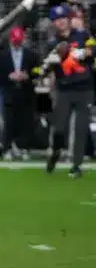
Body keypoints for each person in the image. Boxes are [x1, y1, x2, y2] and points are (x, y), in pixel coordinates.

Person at [43, 17, 94, 178]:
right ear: (54, 23)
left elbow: (93, 49)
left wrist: (85, 52)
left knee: (80, 129)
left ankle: (76, 165)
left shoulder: (82, 35)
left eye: (63, 18)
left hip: (84, 89)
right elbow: (45, 67)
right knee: (59, 128)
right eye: (57, 20)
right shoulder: (52, 43)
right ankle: (56, 152)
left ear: (68, 19)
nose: (61, 22)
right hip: (64, 90)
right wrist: (49, 65)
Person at [0, 27, 39, 160]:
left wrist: (28, 76)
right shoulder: (2, 55)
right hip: (10, 91)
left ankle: (24, 148)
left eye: (19, 41)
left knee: (26, 121)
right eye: (15, 41)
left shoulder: (31, 55)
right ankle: (7, 148)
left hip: (26, 91)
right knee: (9, 121)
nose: (17, 44)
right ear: (10, 40)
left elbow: (37, 72)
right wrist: (10, 76)